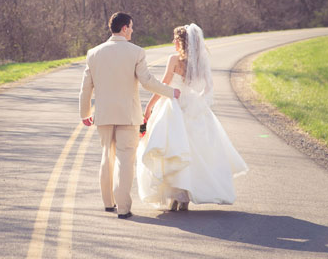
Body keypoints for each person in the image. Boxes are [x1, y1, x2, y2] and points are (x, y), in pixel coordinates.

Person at [79, 12, 181, 219]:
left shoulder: (94, 53)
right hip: (128, 116)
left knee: (106, 156)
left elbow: (85, 88)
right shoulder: (136, 52)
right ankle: (123, 208)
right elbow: (147, 81)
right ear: (124, 28)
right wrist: (171, 92)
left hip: (104, 115)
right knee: (125, 161)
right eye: (131, 27)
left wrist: (85, 113)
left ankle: (108, 203)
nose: (133, 30)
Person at [137, 23, 248, 211]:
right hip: (193, 106)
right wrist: (197, 102)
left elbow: (164, 85)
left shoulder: (173, 60)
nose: (173, 41)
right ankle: (184, 198)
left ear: (182, 42)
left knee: (173, 150)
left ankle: (175, 196)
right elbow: (209, 88)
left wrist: (149, 106)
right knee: (192, 153)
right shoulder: (201, 62)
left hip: (173, 105)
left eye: (175, 39)